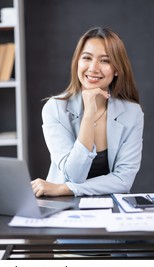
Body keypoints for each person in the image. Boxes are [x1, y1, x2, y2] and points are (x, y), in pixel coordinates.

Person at [31, 26, 144, 198]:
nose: (93, 68)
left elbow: (123, 180)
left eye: (105, 60)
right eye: (86, 58)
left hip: (111, 208)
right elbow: (74, 174)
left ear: (117, 69)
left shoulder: (132, 113)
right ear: (77, 62)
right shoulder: (54, 109)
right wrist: (89, 114)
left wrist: (65, 188)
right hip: (64, 207)